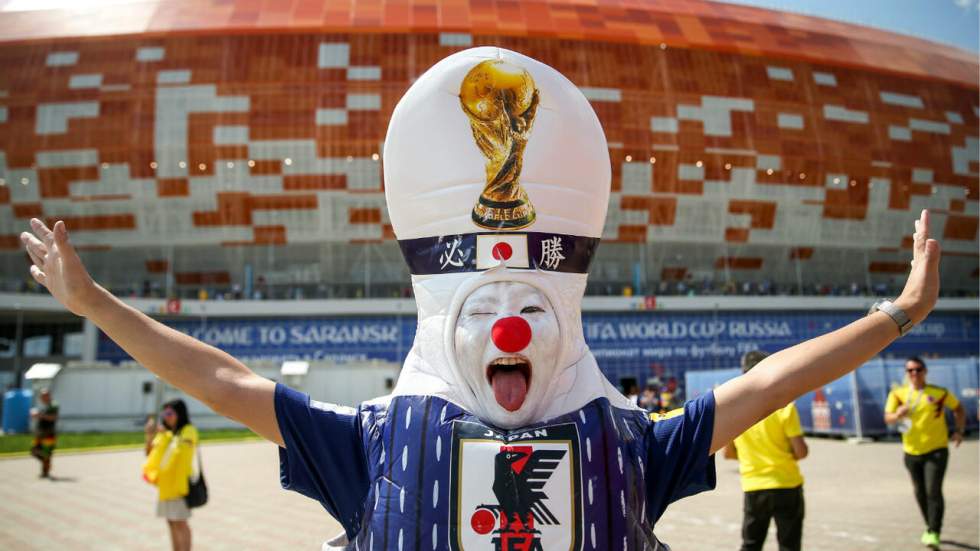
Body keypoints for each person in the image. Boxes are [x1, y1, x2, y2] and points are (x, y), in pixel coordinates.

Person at [18, 46, 941, 550]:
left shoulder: (627, 446)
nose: (509, 325)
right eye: (491, 307)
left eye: (531, 303)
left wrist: (898, 314)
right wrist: (95, 303)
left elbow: (774, 381)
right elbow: (221, 377)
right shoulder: (373, 446)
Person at [724, 351, 808, 551]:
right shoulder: (785, 407)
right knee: (789, 545)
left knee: (751, 545)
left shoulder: (736, 410)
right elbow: (801, 452)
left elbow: (728, 454)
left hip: (754, 487)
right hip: (787, 483)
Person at [884, 357, 966, 549]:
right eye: (910, 370)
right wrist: (898, 414)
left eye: (918, 369)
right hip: (911, 452)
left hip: (936, 450)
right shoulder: (898, 394)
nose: (914, 373)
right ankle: (929, 525)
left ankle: (934, 531)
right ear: (906, 373)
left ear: (925, 371)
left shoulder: (938, 392)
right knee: (920, 493)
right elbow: (887, 418)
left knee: (933, 491)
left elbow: (959, 409)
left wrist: (959, 431)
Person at [143, 399, 198, 551]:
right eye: (164, 413)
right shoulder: (165, 434)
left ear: (179, 414)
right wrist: (150, 436)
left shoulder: (188, 430)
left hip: (180, 487)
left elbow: (181, 452)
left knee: (181, 523)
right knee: (171, 522)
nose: (166, 416)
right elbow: (149, 454)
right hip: (164, 488)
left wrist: (165, 436)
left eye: (170, 413)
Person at [29, 388, 59, 478]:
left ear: (48, 396)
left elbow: (53, 417)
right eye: (41, 396)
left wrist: (39, 415)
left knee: (46, 452)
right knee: (34, 451)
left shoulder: (53, 405)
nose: (42, 398)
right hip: (41, 433)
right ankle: (46, 465)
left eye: (44, 396)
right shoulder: (45, 405)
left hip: (49, 433)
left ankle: (45, 471)